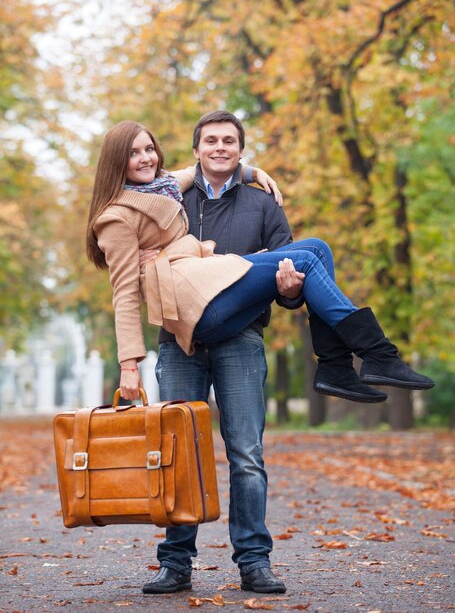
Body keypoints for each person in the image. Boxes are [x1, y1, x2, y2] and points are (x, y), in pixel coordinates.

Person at [86, 116, 434, 594]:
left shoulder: (203, 192)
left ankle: (254, 560)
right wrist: (129, 363)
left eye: (150, 149)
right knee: (177, 453)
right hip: (185, 328)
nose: (146, 158)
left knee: (248, 452)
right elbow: (124, 294)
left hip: (238, 329)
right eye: (211, 140)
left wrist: (253, 180)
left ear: (240, 148)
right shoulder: (129, 211)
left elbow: (296, 285)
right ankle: (176, 563)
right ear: (197, 147)